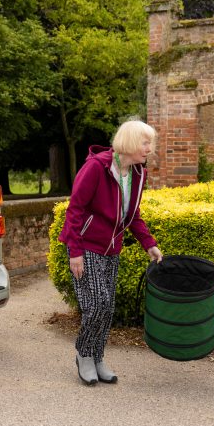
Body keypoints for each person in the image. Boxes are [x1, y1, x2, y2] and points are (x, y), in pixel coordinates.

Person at [59, 120, 164, 385]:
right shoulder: (97, 167)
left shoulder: (138, 173)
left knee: (108, 307)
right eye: (145, 143)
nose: (149, 149)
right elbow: (75, 210)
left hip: (112, 248)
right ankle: (84, 354)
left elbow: (133, 215)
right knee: (96, 305)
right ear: (129, 142)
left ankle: (98, 357)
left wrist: (149, 244)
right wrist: (75, 252)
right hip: (87, 246)